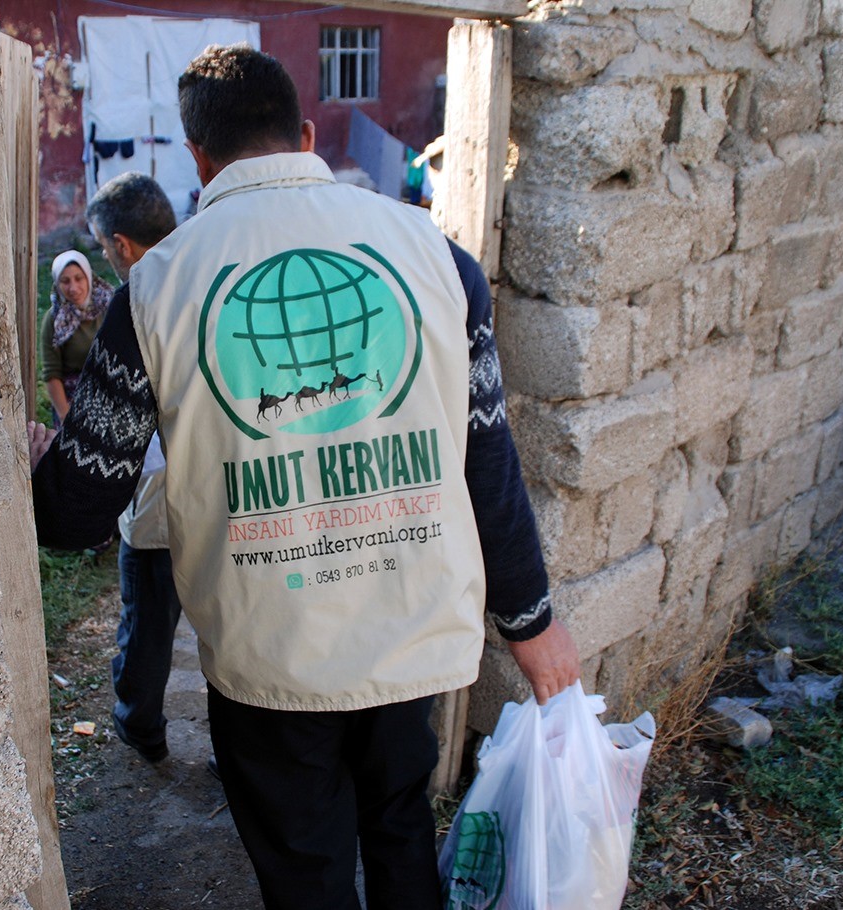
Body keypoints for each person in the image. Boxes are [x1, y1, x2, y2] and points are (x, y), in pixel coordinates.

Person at [30, 44, 580, 910]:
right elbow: (489, 460)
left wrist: (34, 464)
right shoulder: (436, 257)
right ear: (308, 134)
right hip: (409, 645)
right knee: (402, 837)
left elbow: (78, 507)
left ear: (199, 158)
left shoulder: (156, 289)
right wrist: (531, 621)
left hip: (271, 660)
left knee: (306, 872)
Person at [84, 172, 182, 764]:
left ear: (121, 245)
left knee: (146, 617)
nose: (104, 258)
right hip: (225, 485)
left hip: (154, 490)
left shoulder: (137, 297)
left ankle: (140, 724)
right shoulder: (207, 273)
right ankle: (237, 750)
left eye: (101, 248)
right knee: (229, 625)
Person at [40, 249, 113, 421]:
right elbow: (52, 374)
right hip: (73, 403)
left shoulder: (109, 308)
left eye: (79, 278)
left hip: (111, 397)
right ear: (57, 284)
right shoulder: (54, 320)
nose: (73, 288)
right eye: (65, 281)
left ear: (89, 277)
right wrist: (67, 418)